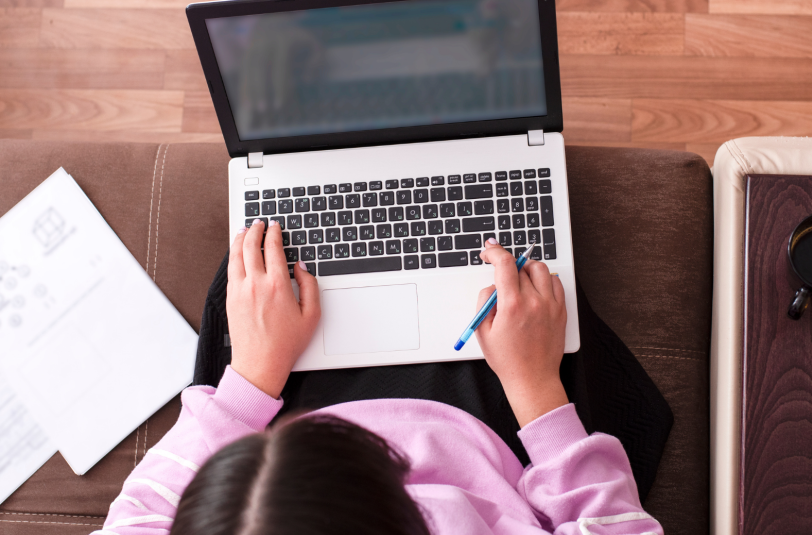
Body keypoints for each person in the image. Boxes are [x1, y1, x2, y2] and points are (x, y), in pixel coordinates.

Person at [93, 218, 663, 535]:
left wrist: (249, 383)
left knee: (262, 255)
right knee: (529, 271)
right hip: (495, 443)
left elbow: (140, 516)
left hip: (276, 387)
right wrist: (537, 389)